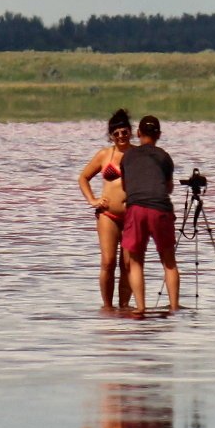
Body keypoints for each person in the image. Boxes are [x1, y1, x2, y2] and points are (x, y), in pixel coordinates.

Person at [120, 114, 181, 314]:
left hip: (136, 208)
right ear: (159, 135)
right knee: (169, 261)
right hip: (160, 208)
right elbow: (169, 187)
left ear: (138, 134)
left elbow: (126, 187)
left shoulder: (127, 156)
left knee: (136, 261)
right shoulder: (164, 156)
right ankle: (173, 308)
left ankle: (140, 308)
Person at [78, 108, 135, 310]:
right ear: (111, 136)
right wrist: (92, 200)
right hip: (108, 216)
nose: (121, 136)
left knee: (128, 265)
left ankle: (125, 307)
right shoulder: (104, 155)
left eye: (124, 132)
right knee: (108, 262)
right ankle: (108, 307)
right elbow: (83, 178)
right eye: (116, 133)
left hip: (132, 217)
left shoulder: (138, 155)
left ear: (131, 132)